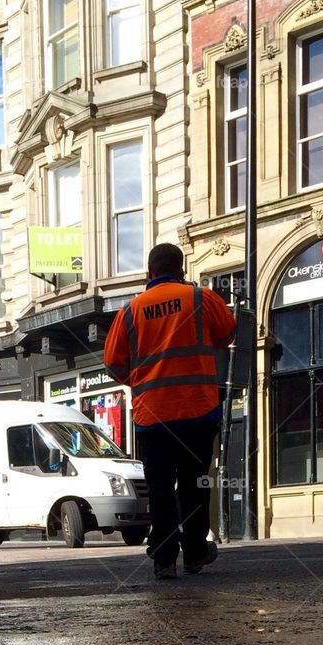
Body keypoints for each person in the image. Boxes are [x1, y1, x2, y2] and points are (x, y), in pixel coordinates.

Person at [104, 243, 236, 580]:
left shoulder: (130, 311)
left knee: (160, 488)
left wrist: (140, 381)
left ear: (149, 272)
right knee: (195, 484)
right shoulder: (201, 299)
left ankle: (164, 559)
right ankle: (194, 552)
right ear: (181, 269)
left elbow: (112, 363)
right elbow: (227, 333)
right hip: (197, 410)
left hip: (153, 418)